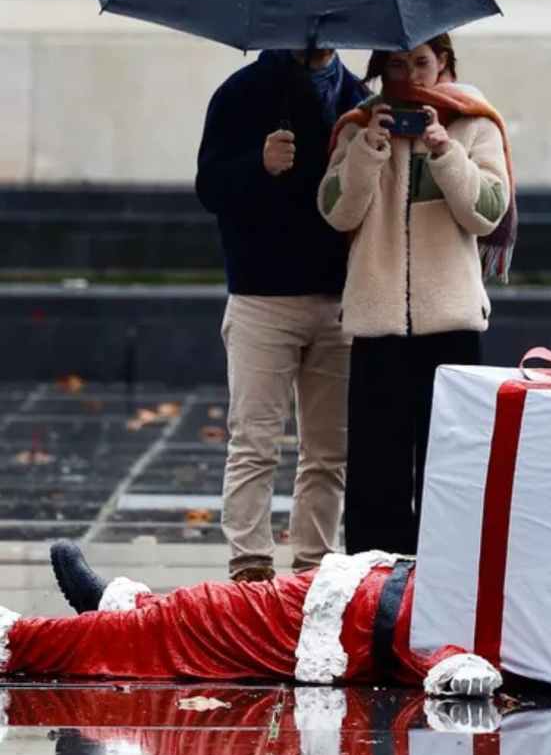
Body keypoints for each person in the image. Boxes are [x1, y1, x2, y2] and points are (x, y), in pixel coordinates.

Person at [317, 34, 516, 556]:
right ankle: (374, 579)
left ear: (443, 62)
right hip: (377, 320)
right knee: (375, 468)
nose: (410, 76)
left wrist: (445, 152)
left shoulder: (474, 122)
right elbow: (336, 212)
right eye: (398, 65)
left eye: (421, 62)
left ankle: (445, 573)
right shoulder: (358, 126)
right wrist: (367, 151)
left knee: (449, 464)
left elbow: (486, 212)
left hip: (450, 324)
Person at [196, 49, 367, 582]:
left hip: (340, 301)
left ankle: (314, 570)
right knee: (254, 443)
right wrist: (260, 164)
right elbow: (209, 187)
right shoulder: (241, 92)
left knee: (329, 450)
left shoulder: (357, 99)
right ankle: (249, 567)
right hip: (262, 299)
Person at [0, 542, 501, 696]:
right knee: (205, 608)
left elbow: (443, 655)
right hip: (355, 592)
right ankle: (127, 609)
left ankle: (22, 640)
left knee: (194, 622)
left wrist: (458, 665)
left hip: (345, 629)